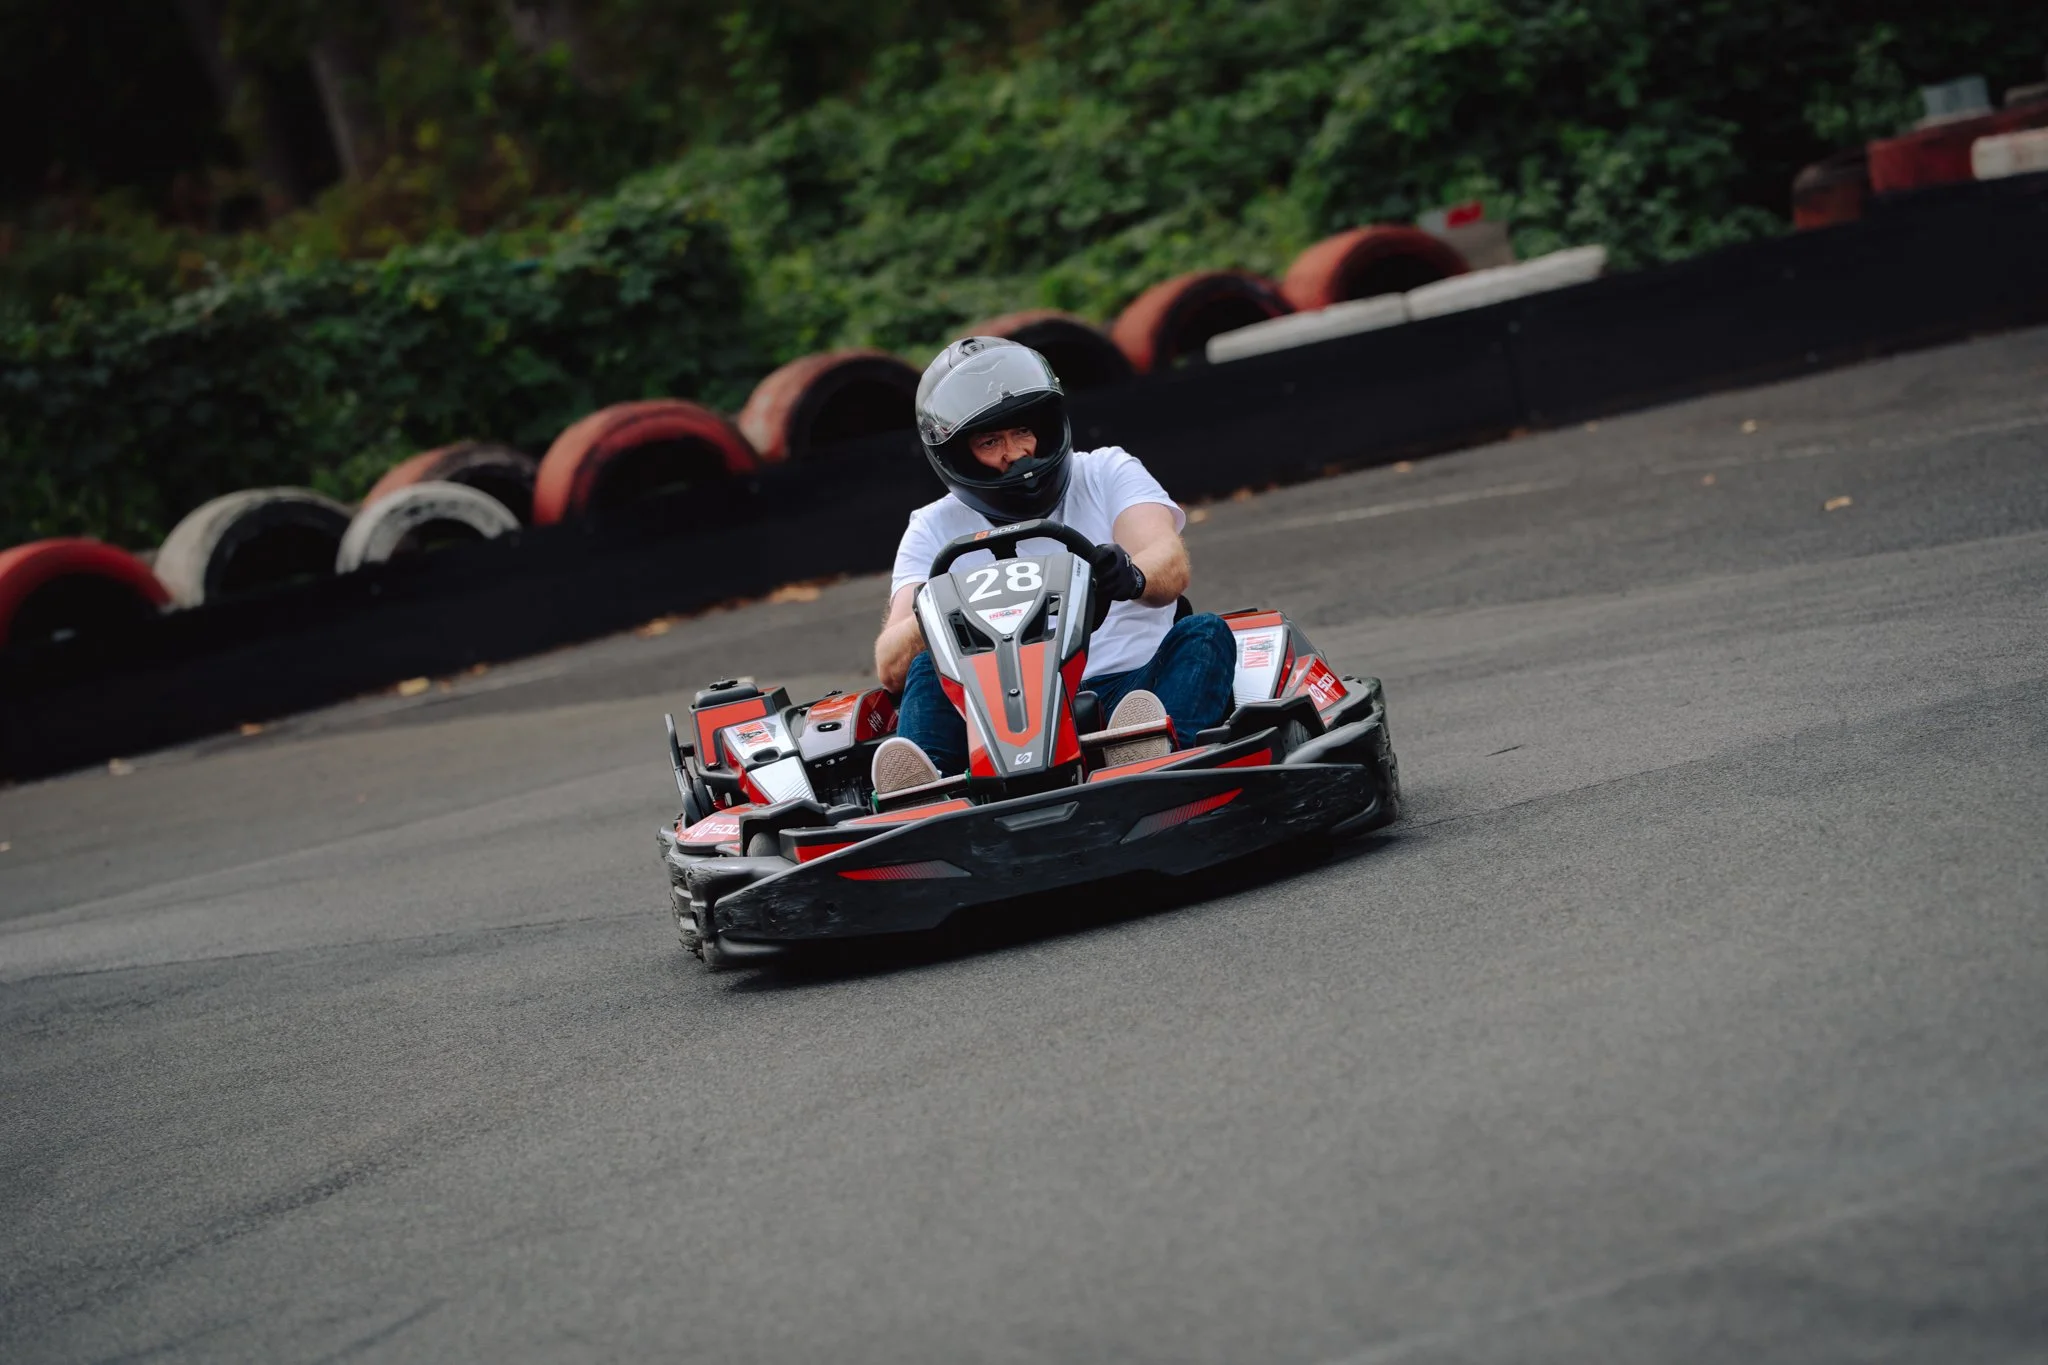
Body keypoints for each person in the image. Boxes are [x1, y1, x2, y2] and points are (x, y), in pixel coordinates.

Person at [870, 336, 1237, 795]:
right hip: (992, 713)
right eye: (991, 441)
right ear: (958, 454)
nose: (1016, 453)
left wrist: (1130, 573)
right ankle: (927, 798)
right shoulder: (932, 526)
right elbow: (891, 664)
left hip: (1127, 690)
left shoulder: (1106, 471)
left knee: (1204, 634)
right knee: (925, 667)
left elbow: (1169, 558)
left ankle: (1148, 759)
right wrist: (938, 613)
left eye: (1023, 431)